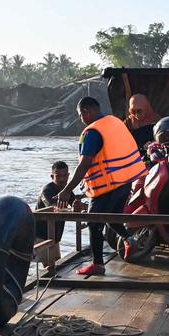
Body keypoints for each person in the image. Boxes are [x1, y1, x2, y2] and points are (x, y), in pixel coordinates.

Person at [56, 96, 146, 276]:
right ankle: (129, 239)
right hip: (125, 180)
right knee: (112, 216)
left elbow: (84, 164)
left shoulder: (92, 132)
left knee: (93, 222)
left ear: (86, 112)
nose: (81, 120)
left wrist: (67, 190)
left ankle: (98, 264)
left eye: (80, 115)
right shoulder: (115, 122)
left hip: (106, 185)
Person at [35, 161, 71, 242]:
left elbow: (76, 204)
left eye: (65, 176)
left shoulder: (67, 190)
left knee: (56, 255)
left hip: (55, 237)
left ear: (68, 175)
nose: (62, 179)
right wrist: (72, 210)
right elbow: (54, 209)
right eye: (58, 176)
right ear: (52, 176)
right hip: (40, 237)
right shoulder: (47, 190)